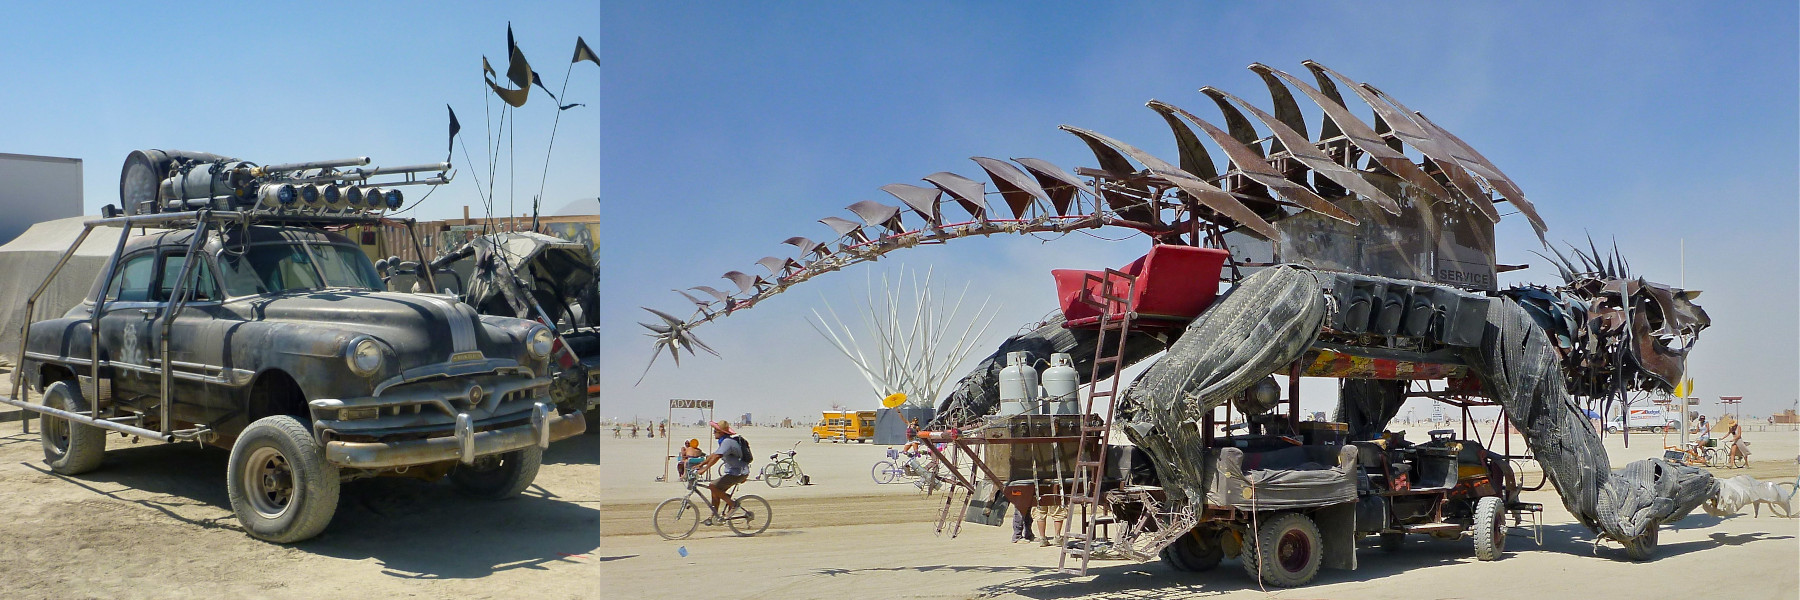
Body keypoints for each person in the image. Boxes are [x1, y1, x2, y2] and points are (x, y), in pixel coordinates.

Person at [690, 421, 752, 525]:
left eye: (715, 431)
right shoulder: (724, 441)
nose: (713, 433)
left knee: (712, 486)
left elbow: (717, 457)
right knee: (715, 491)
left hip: (738, 473)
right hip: (734, 472)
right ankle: (714, 517)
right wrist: (701, 464)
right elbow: (714, 455)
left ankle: (733, 505)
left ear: (721, 432)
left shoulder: (727, 442)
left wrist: (704, 470)